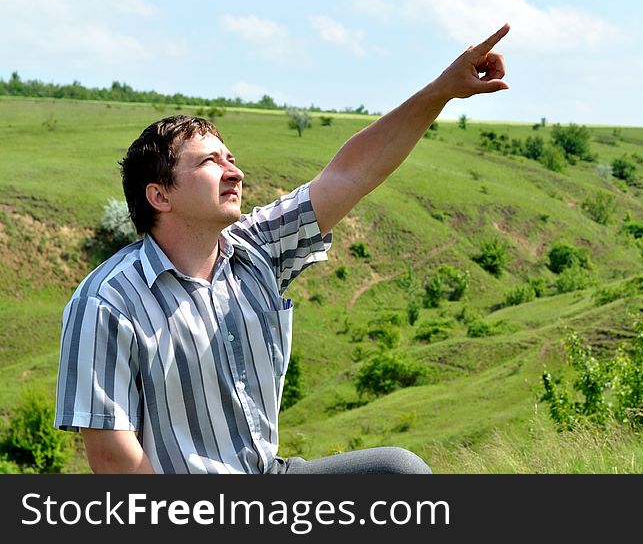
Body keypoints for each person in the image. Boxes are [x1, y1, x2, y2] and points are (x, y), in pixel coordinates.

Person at [54, 24, 510, 474]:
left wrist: (444, 89)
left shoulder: (258, 249)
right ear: (160, 196)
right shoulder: (107, 300)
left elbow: (351, 174)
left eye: (230, 159)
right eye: (209, 162)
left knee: (398, 472)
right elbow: (114, 459)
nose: (234, 172)